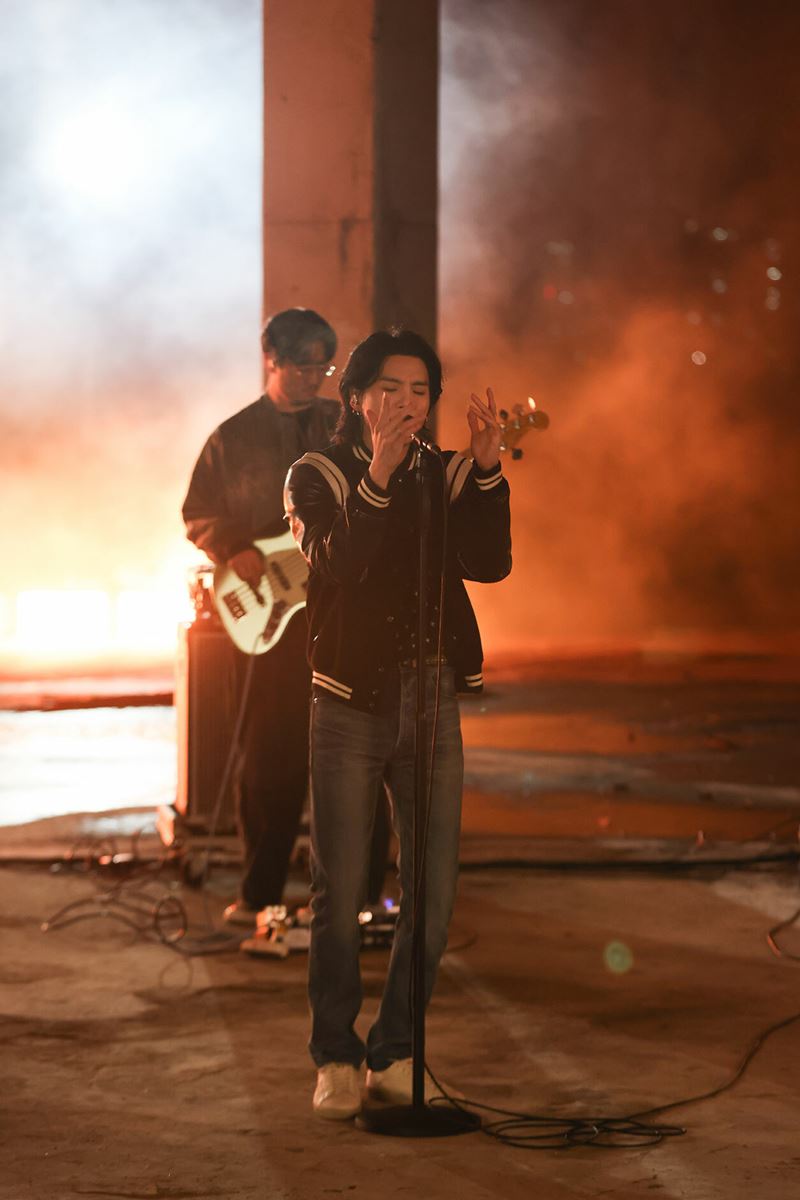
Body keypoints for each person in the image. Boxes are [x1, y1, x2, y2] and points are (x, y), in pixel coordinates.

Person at [283, 329, 512, 1118]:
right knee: (341, 888)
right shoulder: (315, 474)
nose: (406, 403)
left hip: (432, 697)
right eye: (390, 389)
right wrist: (378, 473)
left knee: (433, 892)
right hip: (350, 702)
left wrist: (486, 469)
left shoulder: (444, 472)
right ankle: (335, 1054)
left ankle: (397, 1053)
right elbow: (338, 563)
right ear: (355, 398)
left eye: (420, 391)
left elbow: (490, 563)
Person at [182, 308, 391, 930]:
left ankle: (360, 897)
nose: (312, 378)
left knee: (359, 754)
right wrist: (233, 547)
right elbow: (197, 512)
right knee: (268, 758)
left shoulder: (344, 425)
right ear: (271, 360)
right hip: (270, 620)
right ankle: (260, 894)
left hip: (343, 614)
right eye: (302, 366)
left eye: (323, 368)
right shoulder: (232, 436)